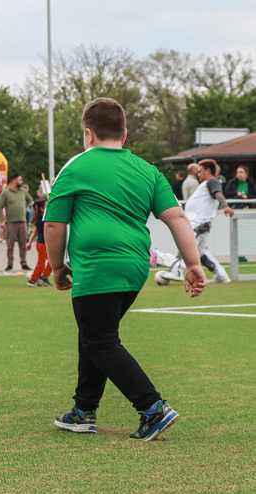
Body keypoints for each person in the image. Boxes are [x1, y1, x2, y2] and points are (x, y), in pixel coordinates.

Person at [44, 98, 206, 441]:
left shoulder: (75, 166)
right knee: (94, 336)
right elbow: (176, 216)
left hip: (97, 265)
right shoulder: (147, 170)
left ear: (88, 134)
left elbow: (55, 224)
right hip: (134, 268)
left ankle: (152, 408)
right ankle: (83, 411)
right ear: (125, 133)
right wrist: (193, 263)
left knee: (100, 340)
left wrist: (57, 266)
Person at [162, 159, 234, 284]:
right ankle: (221, 275)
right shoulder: (205, 184)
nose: (198, 174)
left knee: (186, 245)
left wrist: (226, 206)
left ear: (206, 171)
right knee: (201, 253)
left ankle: (176, 271)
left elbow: (219, 194)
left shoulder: (212, 181)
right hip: (198, 223)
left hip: (199, 224)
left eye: (200, 171)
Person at [0, 173, 33, 271]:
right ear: (14, 181)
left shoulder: (23, 191)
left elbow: (30, 200)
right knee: (10, 245)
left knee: (23, 244)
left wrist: (23, 206)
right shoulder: (5, 192)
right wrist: (1, 220)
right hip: (10, 222)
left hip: (22, 222)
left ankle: (24, 263)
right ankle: (10, 264)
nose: (21, 182)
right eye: (20, 180)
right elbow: (0, 207)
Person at [26, 199, 52, 287]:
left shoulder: (46, 218)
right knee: (41, 263)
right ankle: (33, 279)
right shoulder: (42, 220)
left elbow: (34, 232)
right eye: (46, 206)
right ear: (42, 208)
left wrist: (29, 243)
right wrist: (29, 243)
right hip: (42, 244)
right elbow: (35, 232)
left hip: (45, 244)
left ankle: (43, 277)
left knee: (52, 262)